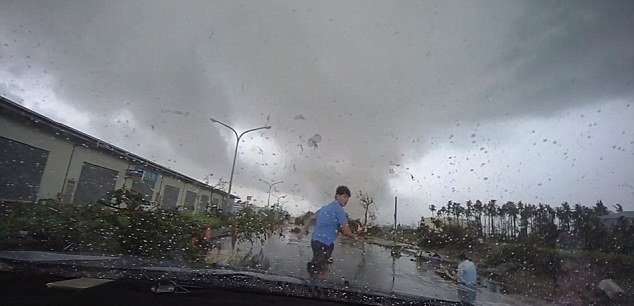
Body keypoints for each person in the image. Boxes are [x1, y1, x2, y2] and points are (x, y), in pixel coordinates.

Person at [304, 186, 361, 278]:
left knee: (319, 265)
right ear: (337, 196)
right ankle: (314, 284)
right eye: (344, 196)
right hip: (324, 244)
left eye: (348, 198)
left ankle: (313, 273)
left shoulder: (326, 208)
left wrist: (302, 233)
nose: (346, 200)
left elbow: (311, 218)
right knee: (318, 271)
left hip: (315, 242)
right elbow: (346, 232)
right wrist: (355, 235)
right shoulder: (340, 211)